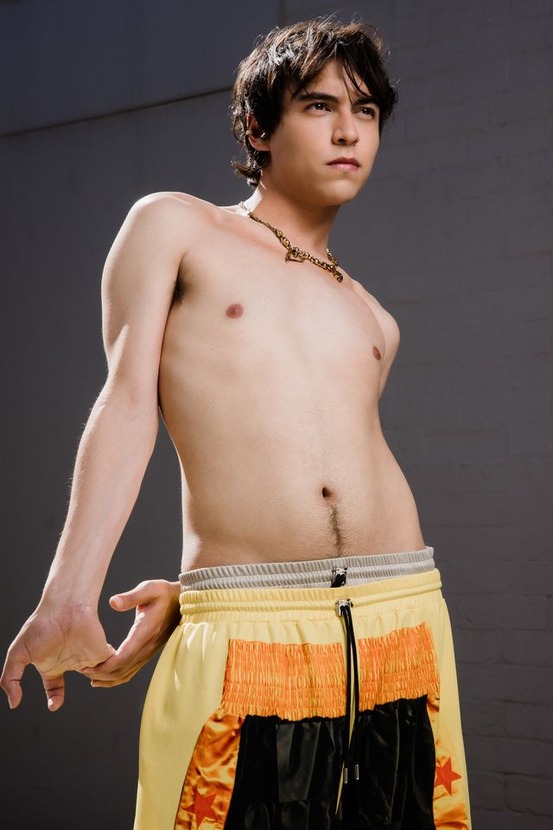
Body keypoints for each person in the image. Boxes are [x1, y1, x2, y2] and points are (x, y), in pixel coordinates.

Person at [1, 17, 471, 830]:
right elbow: (127, 402)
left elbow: (305, 445)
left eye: (365, 111)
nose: (348, 131)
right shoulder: (178, 227)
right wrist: (69, 591)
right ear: (258, 127)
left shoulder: (374, 317)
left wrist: (186, 592)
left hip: (403, 615)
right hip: (250, 632)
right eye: (319, 106)